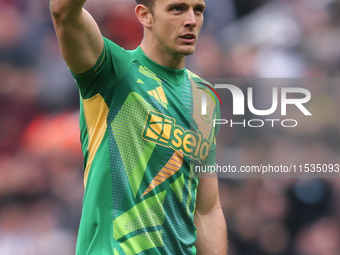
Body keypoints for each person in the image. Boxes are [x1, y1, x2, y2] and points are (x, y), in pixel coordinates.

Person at [50, 0, 227, 254]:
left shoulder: (204, 98)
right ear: (145, 15)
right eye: (177, 9)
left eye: (198, 10)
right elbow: (63, 10)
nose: (191, 20)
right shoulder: (113, 72)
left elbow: (207, 210)